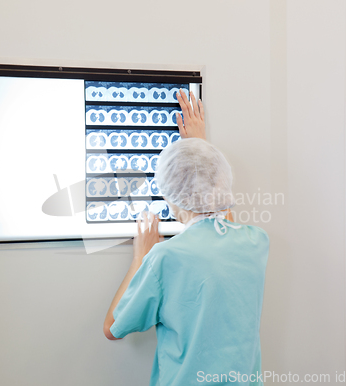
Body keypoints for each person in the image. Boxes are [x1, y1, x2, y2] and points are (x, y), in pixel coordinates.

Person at [103, 89, 270, 386]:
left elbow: (113, 327)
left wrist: (141, 257)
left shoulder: (163, 257)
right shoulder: (255, 242)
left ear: (169, 195)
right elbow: (223, 216)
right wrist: (198, 146)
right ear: (222, 181)